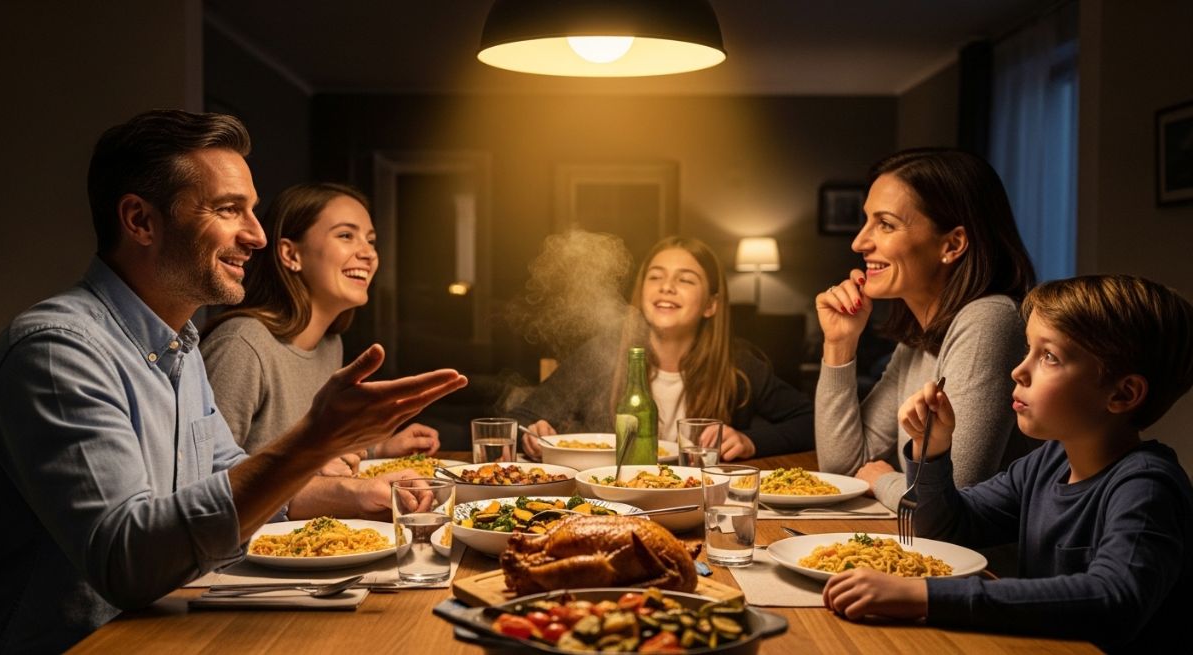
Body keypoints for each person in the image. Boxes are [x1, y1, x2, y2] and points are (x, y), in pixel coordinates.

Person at [0, 109, 467, 652]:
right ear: (140, 221)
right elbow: (125, 565)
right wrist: (317, 440)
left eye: (253, 211)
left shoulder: (181, 347)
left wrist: (358, 495)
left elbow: (230, 476)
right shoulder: (58, 350)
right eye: (228, 210)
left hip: (176, 625)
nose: (258, 236)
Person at [823, 275, 1193, 651]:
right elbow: (949, 526)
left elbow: (1113, 599)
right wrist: (931, 451)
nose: (1018, 371)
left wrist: (924, 595)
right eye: (1028, 349)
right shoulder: (1048, 463)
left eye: (1049, 356)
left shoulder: (1146, 487)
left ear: (1123, 393)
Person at [814, 148, 1037, 508]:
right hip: (924, 550)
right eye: (867, 220)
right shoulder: (920, 340)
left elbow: (951, 501)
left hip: (984, 563)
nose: (859, 242)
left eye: (885, 224)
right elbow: (840, 470)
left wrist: (882, 480)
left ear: (952, 245)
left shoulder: (989, 320)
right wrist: (839, 343)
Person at [200, 183, 441, 479]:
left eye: (371, 240)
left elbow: (315, 451)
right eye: (346, 236)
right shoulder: (242, 344)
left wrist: (380, 449)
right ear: (290, 254)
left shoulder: (329, 344)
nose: (368, 254)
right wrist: (306, 467)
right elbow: (203, 477)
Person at [514, 236, 813, 460]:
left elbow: (811, 423)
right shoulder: (602, 355)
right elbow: (520, 419)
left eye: (685, 280)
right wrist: (531, 433)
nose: (666, 286)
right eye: (655, 276)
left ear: (711, 305)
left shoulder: (738, 364)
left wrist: (750, 441)